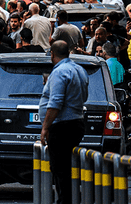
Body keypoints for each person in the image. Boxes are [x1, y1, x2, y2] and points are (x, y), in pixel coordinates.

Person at [40, 41, 88, 204]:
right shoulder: (79, 69)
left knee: (60, 168)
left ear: (52, 54)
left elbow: (55, 103)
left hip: (62, 126)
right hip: (76, 122)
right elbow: (85, 96)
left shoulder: (60, 72)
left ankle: (64, 201)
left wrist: (45, 127)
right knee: (64, 167)